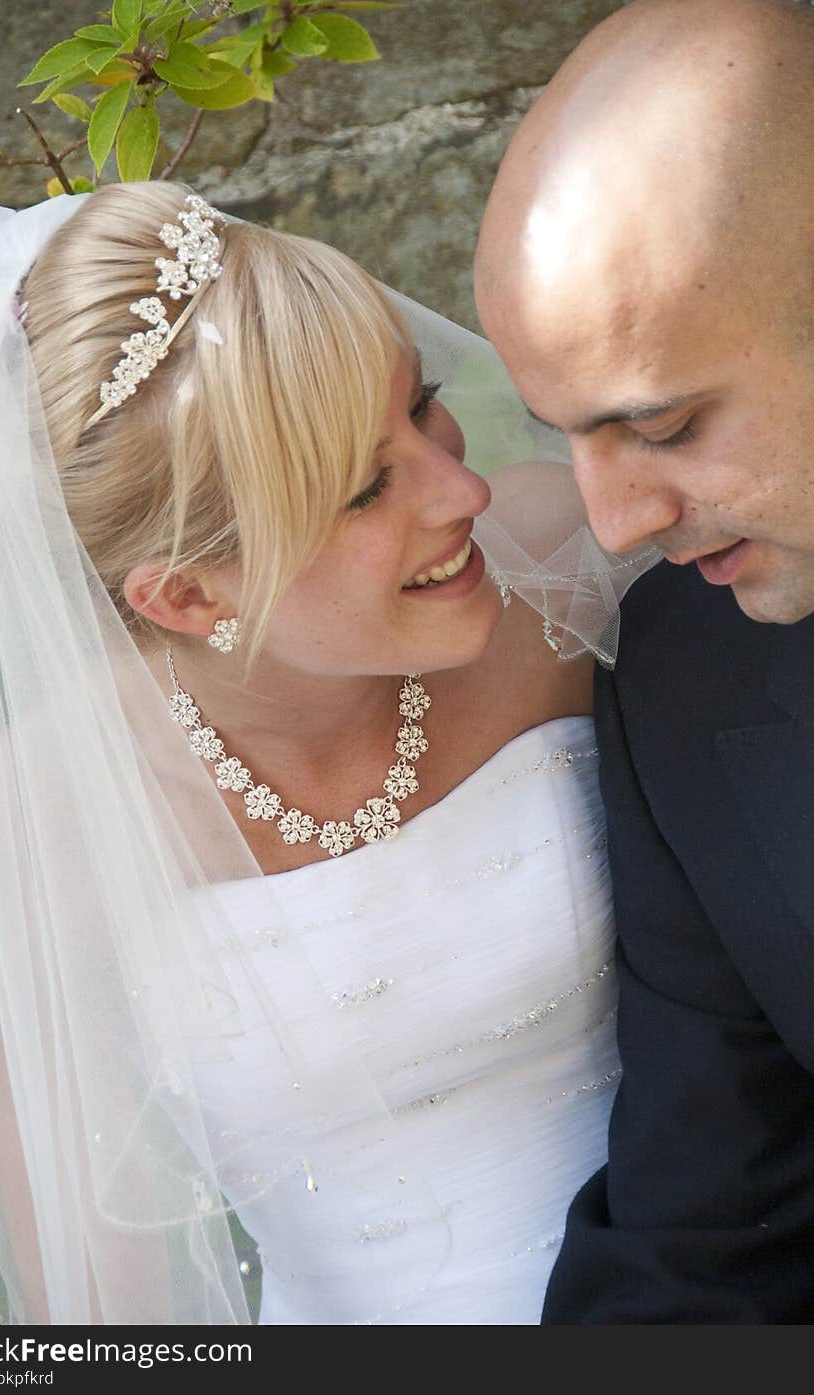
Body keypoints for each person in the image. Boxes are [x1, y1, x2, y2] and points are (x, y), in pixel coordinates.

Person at [0, 181, 652, 1325]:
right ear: (183, 594)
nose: (461, 489)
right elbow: (111, 1310)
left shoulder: (564, 563)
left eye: (421, 408)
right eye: (366, 488)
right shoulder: (12, 841)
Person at [474, 0, 814, 1323]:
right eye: (570, 439)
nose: (615, 526)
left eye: (663, 425)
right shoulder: (683, 679)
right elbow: (702, 1243)